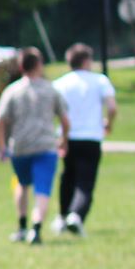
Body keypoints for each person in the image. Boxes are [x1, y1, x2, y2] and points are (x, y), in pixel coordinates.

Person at [0, 46, 69, 245]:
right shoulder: (50, 89)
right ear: (39, 65)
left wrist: (2, 146)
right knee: (42, 189)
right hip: (46, 146)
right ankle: (36, 228)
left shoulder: (13, 91)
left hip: (20, 147)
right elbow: (65, 120)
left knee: (21, 183)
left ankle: (22, 227)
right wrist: (64, 140)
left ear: (21, 66)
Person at [51, 42, 117, 237]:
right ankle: (76, 215)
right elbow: (112, 107)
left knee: (68, 177)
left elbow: (53, 112)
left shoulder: (60, 83)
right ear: (86, 61)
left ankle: (62, 216)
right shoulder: (100, 81)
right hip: (91, 137)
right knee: (85, 181)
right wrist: (109, 124)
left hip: (68, 137)